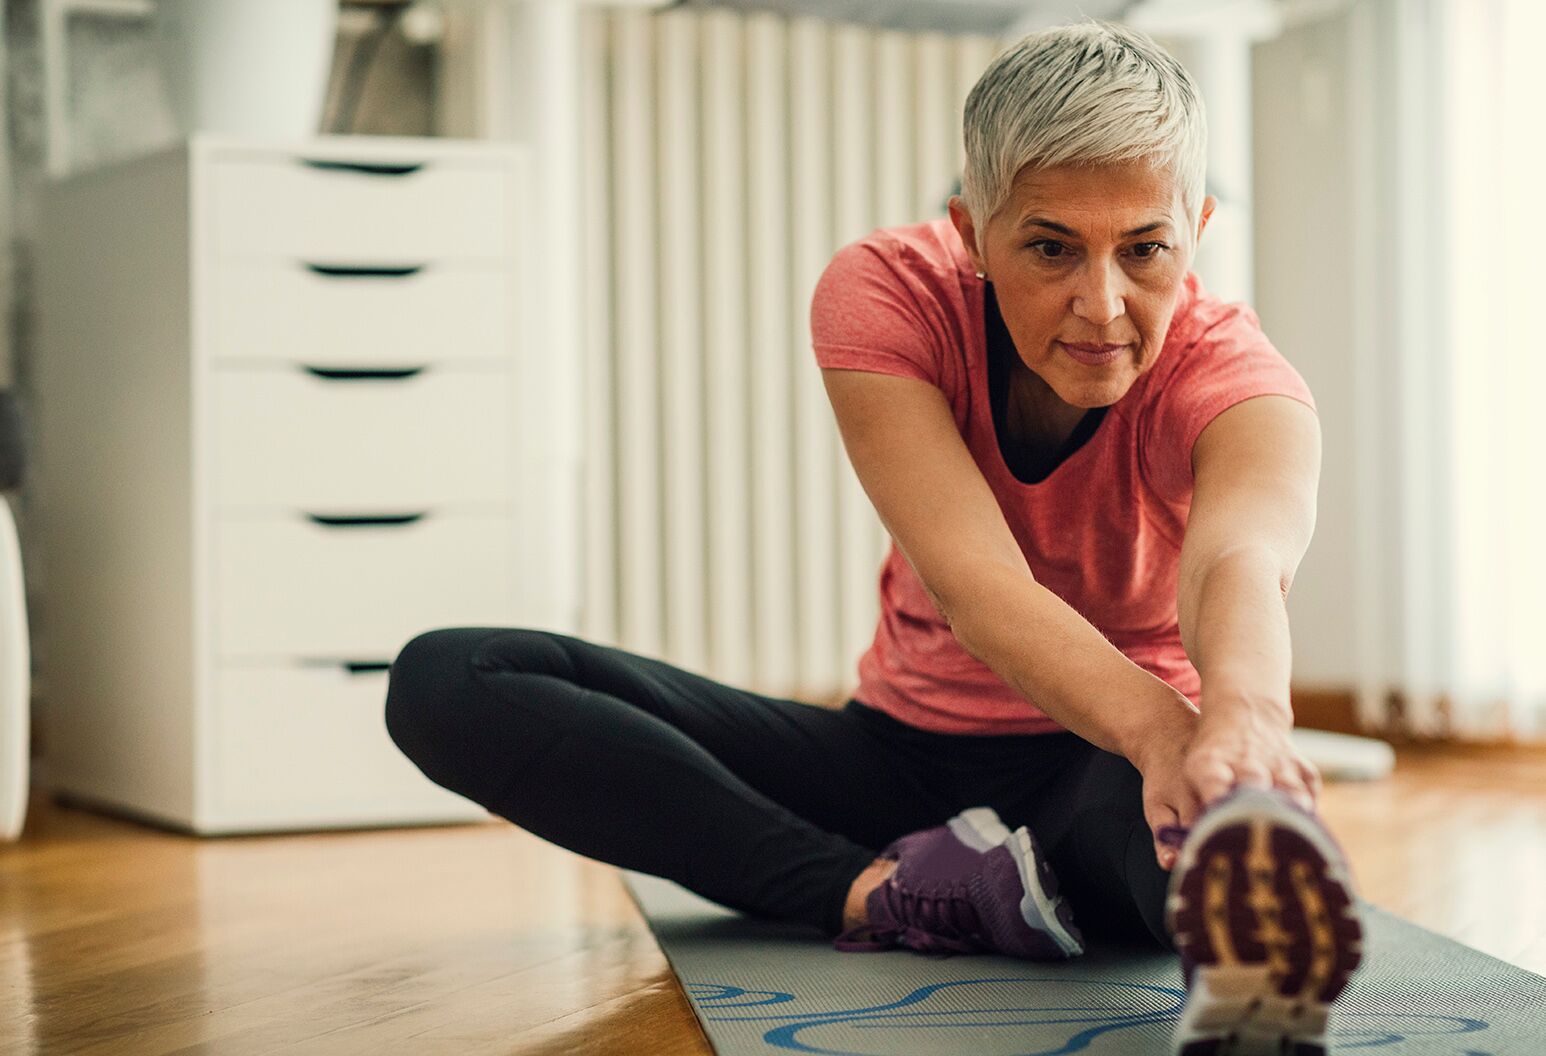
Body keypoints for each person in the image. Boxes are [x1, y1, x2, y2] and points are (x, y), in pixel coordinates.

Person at [382, 19, 1364, 1055]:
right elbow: (977, 588)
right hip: (897, 762)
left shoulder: (1242, 385)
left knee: (1184, 828)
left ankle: (1225, 940)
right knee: (450, 680)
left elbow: (1235, 563)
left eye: (1144, 249)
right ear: (970, 232)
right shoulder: (889, 292)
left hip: (1103, 769)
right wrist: (1174, 732)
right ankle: (885, 894)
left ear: (1196, 228)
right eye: (1048, 248)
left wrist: (1237, 727)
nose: (1100, 305)